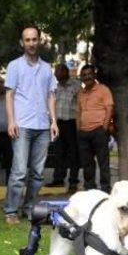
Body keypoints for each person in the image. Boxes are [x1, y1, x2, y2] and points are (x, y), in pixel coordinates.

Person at [4, 26, 58, 225]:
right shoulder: (14, 66)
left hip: (42, 126)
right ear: (22, 43)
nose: (31, 43)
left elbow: (51, 96)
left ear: (39, 41)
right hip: (22, 126)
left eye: (34, 39)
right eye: (27, 40)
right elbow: (9, 95)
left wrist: (54, 122)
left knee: (37, 173)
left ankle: (28, 208)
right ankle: (10, 210)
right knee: (18, 171)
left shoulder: (46, 68)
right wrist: (11, 121)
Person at [76, 64, 114, 193]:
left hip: (99, 131)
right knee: (87, 164)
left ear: (94, 75)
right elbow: (78, 111)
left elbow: (109, 108)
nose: (87, 77)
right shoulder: (80, 93)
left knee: (103, 162)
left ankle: (105, 190)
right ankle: (90, 189)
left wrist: (104, 127)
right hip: (83, 132)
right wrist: (78, 128)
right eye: (84, 75)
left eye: (89, 74)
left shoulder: (103, 90)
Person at [46, 63, 81, 193]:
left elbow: (81, 104)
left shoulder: (76, 85)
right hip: (58, 123)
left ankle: (73, 181)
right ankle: (58, 179)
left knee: (73, 154)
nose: (58, 74)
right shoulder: (53, 87)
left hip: (72, 123)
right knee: (59, 153)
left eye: (61, 71)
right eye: (56, 72)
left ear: (66, 72)